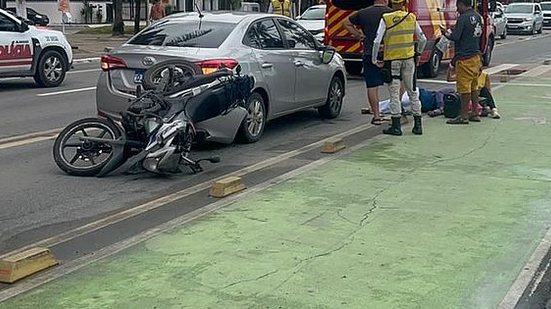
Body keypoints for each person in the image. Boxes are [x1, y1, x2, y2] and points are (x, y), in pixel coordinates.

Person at [372, 0, 427, 136]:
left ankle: (396, 127)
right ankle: (418, 126)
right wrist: (418, 53)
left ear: (391, 3)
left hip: (392, 61)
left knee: (394, 93)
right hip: (409, 60)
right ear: (404, 3)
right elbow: (422, 38)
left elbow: (377, 40)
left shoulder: (386, 18)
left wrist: (374, 59)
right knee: (412, 92)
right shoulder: (411, 17)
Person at [343, 0, 392, 125]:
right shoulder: (391, 13)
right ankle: (396, 113)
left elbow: (346, 23)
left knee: (372, 86)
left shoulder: (363, 13)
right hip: (389, 53)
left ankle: (376, 116)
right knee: (395, 84)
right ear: (386, 0)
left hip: (369, 53)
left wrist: (359, 35)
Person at [441, 0, 483, 124]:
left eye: (457, 6)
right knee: (474, 86)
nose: (456, 9)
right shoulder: (477, 16)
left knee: (464, 89)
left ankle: (463, 116)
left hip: (464, 58)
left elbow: (456, 37)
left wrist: (446, 33)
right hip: (475, 56)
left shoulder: (463, 18)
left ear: (461, 4)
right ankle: (475, 112)